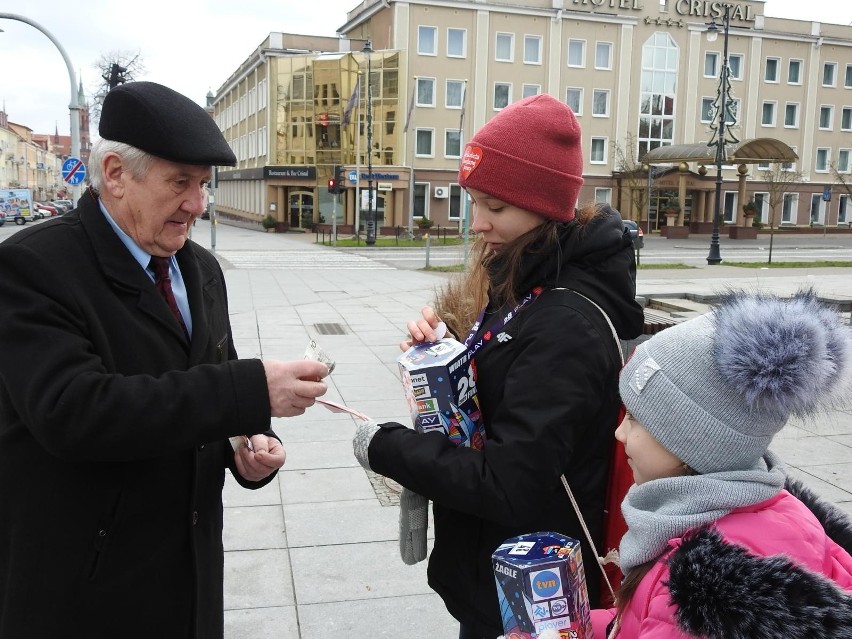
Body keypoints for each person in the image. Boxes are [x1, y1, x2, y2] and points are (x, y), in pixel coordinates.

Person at [0, 81, 329, 639]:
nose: (198, 204)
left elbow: (200, 383)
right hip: (85, 590)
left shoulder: (201, 269)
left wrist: (242, 444)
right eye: (180, 182)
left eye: (203, 183)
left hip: (189, 579)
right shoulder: (34, 268)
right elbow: (74, 412)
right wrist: (246, 393)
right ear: (115, 173)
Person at [352, 94, 645, 638]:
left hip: (531, 595)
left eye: (497, 207)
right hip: (501, 574)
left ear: (546, 206)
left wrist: (388, 447)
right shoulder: (530, 283)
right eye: (474, 203)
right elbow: (511, 396)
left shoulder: (565, 320)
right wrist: (447, 357)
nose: (478, 223)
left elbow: (510, 483)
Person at [591, 290, 852, 638]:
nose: (619, 432)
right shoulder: (756, 512)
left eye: (636, 418)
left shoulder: (699, 595)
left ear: (692, 440)